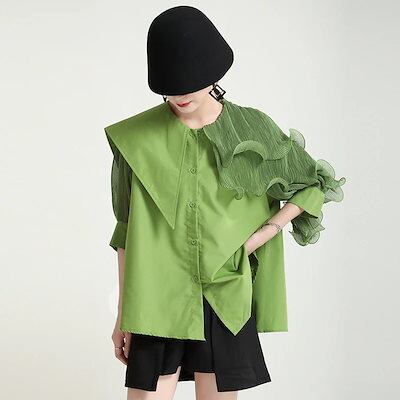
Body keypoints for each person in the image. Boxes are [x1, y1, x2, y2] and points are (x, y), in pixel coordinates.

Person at [104, 5, 346, 400]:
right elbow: (126, 230)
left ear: (214, 73)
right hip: (155, 297)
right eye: (169, 88)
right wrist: (123, 314)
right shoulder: (135, 140)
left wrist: (260, 236)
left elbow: (313, 184)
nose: (179, 97)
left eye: (190, 85)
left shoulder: (252, 128)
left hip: (224, 293)